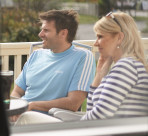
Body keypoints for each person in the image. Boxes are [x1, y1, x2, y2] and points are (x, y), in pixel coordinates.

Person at [15, 11, 148, 125]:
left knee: (25, 118)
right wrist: (100, 73)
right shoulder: (124, 67)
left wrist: (76, 130)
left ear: (119, 38)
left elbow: (98, 116)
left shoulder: (126, 68)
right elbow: (92, 110)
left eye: (100, 37)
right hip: (95, 132)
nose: (95, 43)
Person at [10, 10, 96, 115]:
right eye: (42, 29)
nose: (40, 34)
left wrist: (32, 106)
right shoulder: (36, 55)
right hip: (22, 114)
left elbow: (73, 103)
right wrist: (15, 109)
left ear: (63, 33)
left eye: (46, 30)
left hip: (48, 121)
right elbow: (17, 92)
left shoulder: (83, 57)